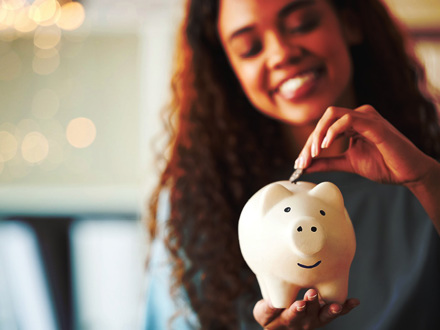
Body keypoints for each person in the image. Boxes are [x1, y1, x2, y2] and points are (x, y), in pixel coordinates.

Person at [144, 0, 440, 329]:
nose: (281, 53)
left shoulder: (428, 168)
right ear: (230, 70)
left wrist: (428, 181)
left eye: (301, 24)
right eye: (249, 48)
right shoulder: (197, 202)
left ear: (350, 23)